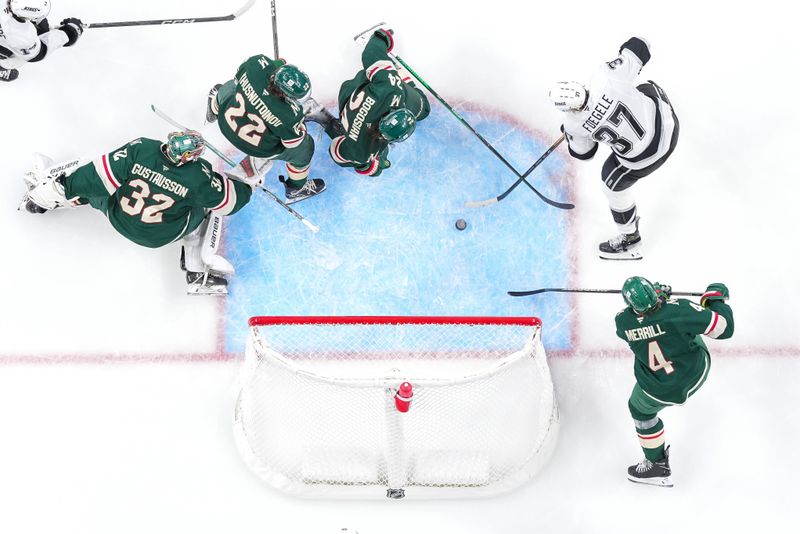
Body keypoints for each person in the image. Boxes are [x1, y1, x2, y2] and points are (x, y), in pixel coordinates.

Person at [21, 132, 257, 295]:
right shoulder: (198, 175)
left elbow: (91, 177)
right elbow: (230, 202)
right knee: (207, 208)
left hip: (118, 216)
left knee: (91, 172)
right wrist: (247, 183)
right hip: (161, 234)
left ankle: (44, 195)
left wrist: (39, 198)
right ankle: (196, 273)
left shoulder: (142, 148)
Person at [549, 37, 679, 260]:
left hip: (648, 156)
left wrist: (571, 134)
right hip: (668, 124)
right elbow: (641, 46)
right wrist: (620, 59)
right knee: (642, 87)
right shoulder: (605, 77)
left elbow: (585, 153)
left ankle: (630, 239)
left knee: (611, 182)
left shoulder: (574, 124)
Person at [615, 276, 734, 487]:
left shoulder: (622, 321)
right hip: (695, 371)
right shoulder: (679, 309)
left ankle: (656, 464)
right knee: (682, 327)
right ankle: (656, 466)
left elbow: (649, 321)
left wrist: (659, 303)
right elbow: (725, 329)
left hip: (657, 388)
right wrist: (715, 300)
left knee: (640, 410)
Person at [206, 54, 325, 204]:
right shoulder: (290, 115)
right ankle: (296, 188)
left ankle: (214, 109)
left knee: (231, 86)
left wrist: (277, 64)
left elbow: (260, 71)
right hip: (258, 147)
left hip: (225, 120)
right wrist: (300, 126)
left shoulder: (255, 64)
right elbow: (292, 143)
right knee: (305, 148)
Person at [317, 27, 430, 177]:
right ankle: (395, 73)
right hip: (353, 111)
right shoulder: (362, 150)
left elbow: (371, 53)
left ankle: (394, 71)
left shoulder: (390, 90)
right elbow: (336, 152)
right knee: (424, 109)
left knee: (416, 102)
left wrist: (382, 37)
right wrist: (368, 163)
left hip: (352, 90)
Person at [0, 0, 83, 82]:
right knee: (19, 58)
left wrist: (37, 19)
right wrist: (69, 33)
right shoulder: (24, 38)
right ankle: (2, 66)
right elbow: (38, 53)